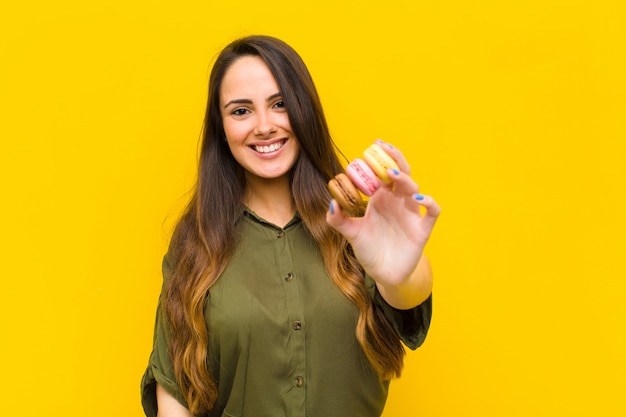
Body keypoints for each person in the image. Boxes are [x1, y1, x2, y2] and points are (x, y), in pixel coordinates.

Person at [140, 35, 441, 417]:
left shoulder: (360, 224)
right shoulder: (195, 244)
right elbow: (175, 390)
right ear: (222, 128)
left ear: (304, 111)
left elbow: (409, 296)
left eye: (279, 104)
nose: (264, 126)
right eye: (241, 111)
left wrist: (399, 274)